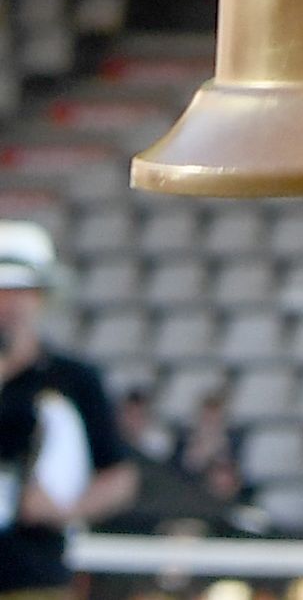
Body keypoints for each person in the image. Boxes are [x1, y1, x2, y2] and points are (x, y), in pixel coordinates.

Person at [0, 223, 133, 600]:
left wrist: (61, 509)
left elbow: (119, 477)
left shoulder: (72, 380)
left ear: (41, 296)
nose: (7, 305)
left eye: (18, 291)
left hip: (35, 578)